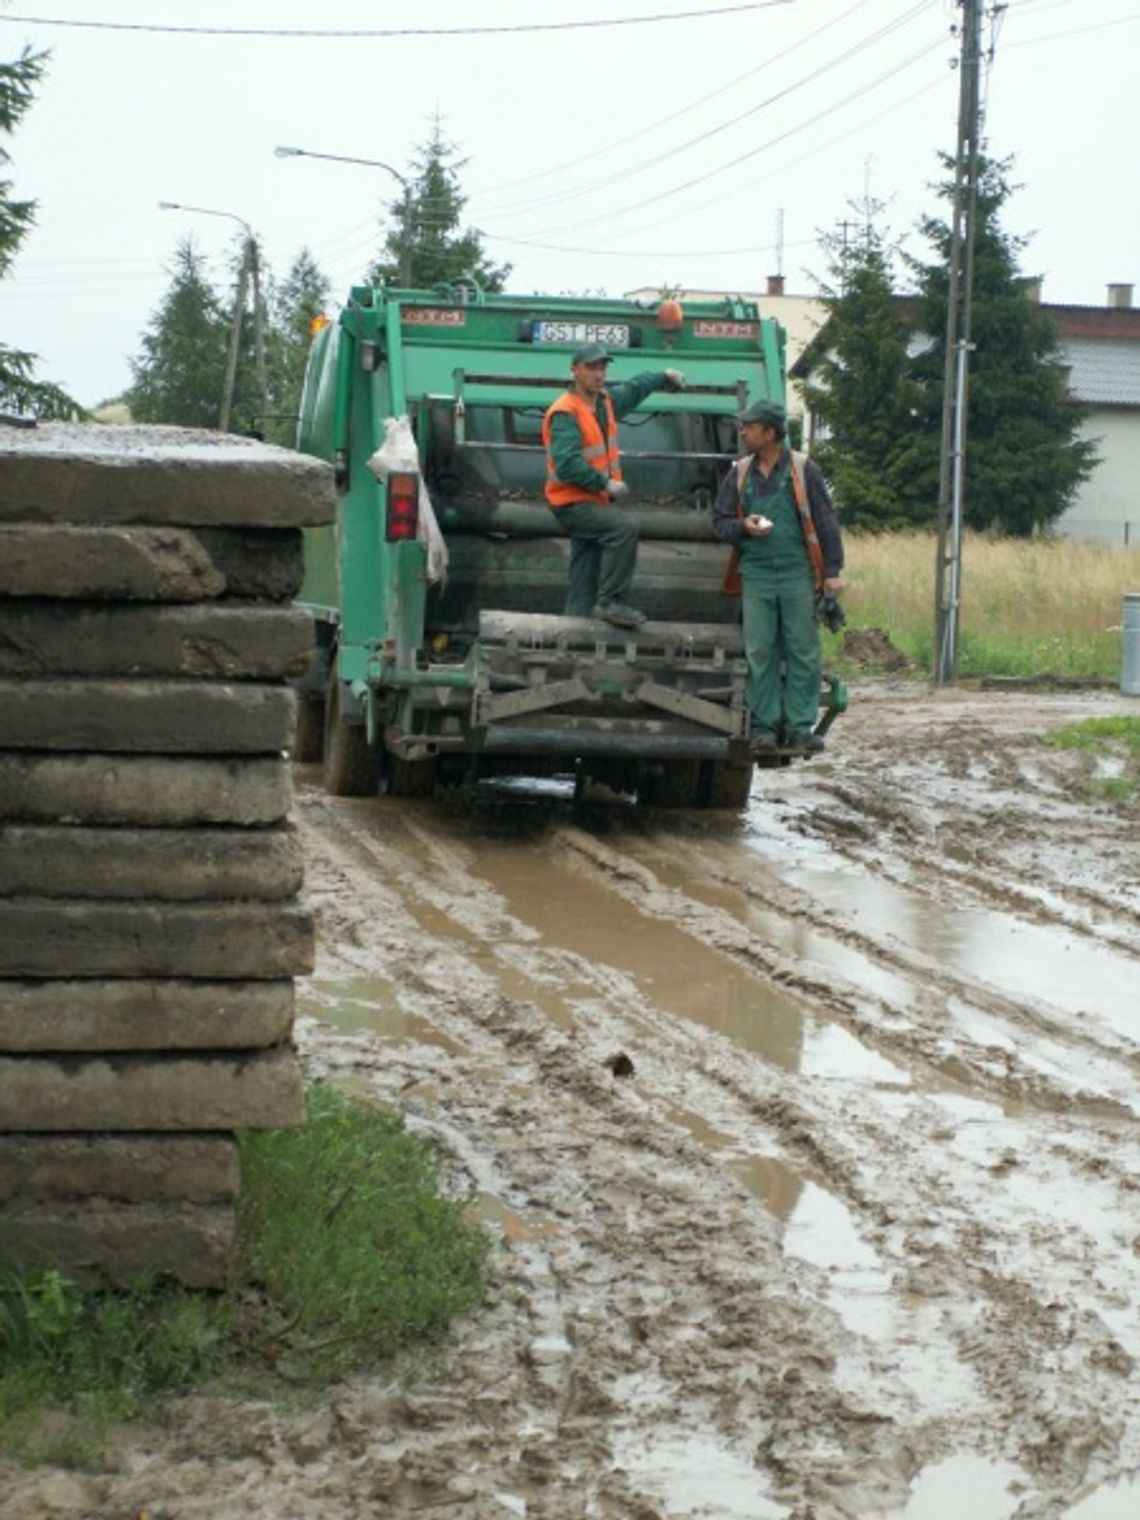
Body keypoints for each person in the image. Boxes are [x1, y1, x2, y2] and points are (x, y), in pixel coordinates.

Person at [712, 399, 844, 752]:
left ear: (770, 433)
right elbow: (720, 523)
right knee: (760, 650)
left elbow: (827, 521)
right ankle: (764, 729)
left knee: (803, 648)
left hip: (796, 572)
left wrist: (832, 572)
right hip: (756, 574)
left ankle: (800, 726)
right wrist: (743, 526)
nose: (743, 432)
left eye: (750, 427)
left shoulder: (803, 469)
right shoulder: (739, 472)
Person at [542, 343, 684, 628]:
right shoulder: (566, 412)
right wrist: (604, 483)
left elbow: (633, 388)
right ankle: (611, 603)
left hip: (594, 501)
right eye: (591, 367)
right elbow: (568, 464)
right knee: (623, 529)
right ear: (574, 370)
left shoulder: (603, 403)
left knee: (586, 569)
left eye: (602, 367)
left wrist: (662, 376)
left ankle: (574, 629)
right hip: (571, 502)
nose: (598, 374)